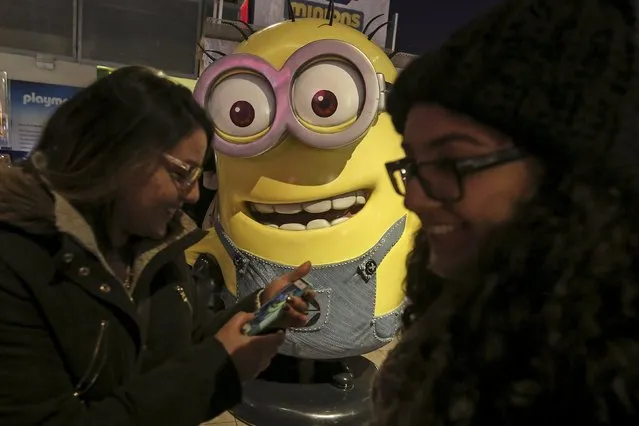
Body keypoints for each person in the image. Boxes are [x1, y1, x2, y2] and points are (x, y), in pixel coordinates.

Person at [372, 0, 639, 424]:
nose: (414, 199)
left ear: (572, 181)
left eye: (452, 164)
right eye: (412, 163)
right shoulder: (468, 313)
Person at [0, 66, 314, 426]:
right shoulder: (15, 264)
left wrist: (263, 310)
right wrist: (218, 366)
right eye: (182, 174)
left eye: (197, 177)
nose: (194, 194)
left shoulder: (157, 245)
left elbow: (184, 347)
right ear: (114, 154)